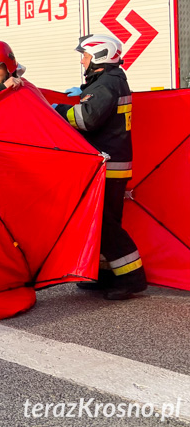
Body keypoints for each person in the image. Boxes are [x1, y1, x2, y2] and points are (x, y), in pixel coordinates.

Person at [54, 34, 146, 300]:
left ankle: (132, 278)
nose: (82, 60)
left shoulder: (107, 83)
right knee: (102, 223)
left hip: (110, 165)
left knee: (107, 225)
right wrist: (83, 95)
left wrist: (58, 109)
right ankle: (107, 274)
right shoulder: (110, 81)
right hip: (111, 163)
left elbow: (86, 119)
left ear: (99, 57)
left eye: (85, 55)